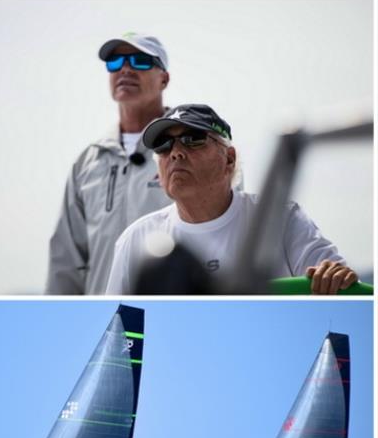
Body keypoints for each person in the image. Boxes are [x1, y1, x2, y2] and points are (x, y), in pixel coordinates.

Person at [106, 104, 361, 295]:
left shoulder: (279, 218)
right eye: (163, 145)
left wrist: (334, 276)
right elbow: (120, 318)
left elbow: (338, 282)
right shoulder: (136, 239)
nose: (176, 153)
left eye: (192, 139)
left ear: (229, 159)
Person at [47, 33, 174, 294]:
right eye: (115, 62)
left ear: (164, 79)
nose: (125, 69)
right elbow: (66, 261)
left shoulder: (193, 148)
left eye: (140, 60)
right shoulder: (86, 163)